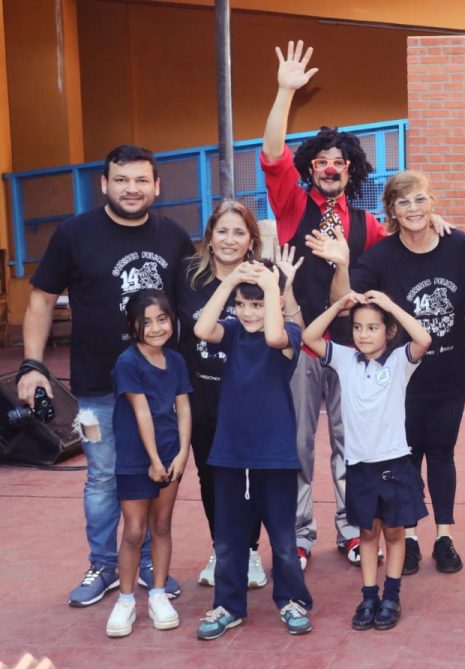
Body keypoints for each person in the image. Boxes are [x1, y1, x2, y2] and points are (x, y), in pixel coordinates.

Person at [20, 144, 194, 607]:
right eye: (121, 180)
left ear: (157, 187)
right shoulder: (74, 234)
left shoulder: (175, 238)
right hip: (99, 388)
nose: (131, 189)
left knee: (159, 473)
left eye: (141, 180)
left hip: (159, 390)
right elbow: (39, 301)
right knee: (101, 477)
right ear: (104, 184)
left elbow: (191, 310)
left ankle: (148, 564)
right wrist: (33, 366)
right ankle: (103, 563)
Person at [262, 40, 390, 569]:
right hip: (298, 346)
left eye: (339, 161)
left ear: (350, 169)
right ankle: (298, 532)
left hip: (351, 350)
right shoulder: (292, 206)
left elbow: (397, 263)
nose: (331, 167)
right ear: (310, 168)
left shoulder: (369, 224)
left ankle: (351, 527)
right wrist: (284, 91)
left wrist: (434, 224)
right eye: (322, 161)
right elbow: (271, 153)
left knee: (351, 445)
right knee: (295, 446)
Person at [329, 171, 465, 574]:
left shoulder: (457, 244)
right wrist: (342, 264)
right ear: (392, 211)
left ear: (433, 202)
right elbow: (345, 302)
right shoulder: (382, 256)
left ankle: (445, 536)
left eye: (420, 200)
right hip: (402, 378)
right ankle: (410, 536)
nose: (413, 209)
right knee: (408, 457)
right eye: (404, 202)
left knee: (443, 453)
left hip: (449, 371)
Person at [175, 200, 304, 588]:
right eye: (222, 231)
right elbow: (189, 329)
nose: (230, 239)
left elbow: (286, 327)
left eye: (239, 232)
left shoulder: (264, 277)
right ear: (210, 237)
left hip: (250, 397)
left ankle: (249, 551)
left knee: (258, 479)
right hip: (202, 394)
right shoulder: (187, 276)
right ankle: (223, 547)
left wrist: (284, 283)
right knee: (213, 478)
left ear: (251, 240)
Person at [193, 262, 313, 640]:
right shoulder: (230, 332)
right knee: (228, 539)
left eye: (257, 305)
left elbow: (275, 334)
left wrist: (270, 285)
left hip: (274, 456)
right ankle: (229, 604)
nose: (248, 313)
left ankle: (292, 599)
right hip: (230, 453)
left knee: (282, 538)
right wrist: (230, 281)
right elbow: (200, 328)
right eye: (242, 304)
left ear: (273, 303)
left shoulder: (289, 333)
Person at [302, 291, 431, 630]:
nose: (363, 334)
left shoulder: (399, 361)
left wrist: (390, 306)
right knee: (367, 533)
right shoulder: (344, 358)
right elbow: (309, 337)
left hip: (395, 463)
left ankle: (392, 595)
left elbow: (424, 338)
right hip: (359, 466)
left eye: (373, 327)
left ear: (388, 331)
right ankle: (369, 595)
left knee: (394, 533)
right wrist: (337, 307)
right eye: (358, 327)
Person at [104, 290, 192, 638]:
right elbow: (141, 411)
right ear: (133, 326)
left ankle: (157, 593)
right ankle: (126, 600)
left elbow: (183, 406)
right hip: (136, 459)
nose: (156, 328)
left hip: (170, 456)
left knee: (163, 525)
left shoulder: (177, 360)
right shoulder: (128, 362)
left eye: (162, 319)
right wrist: (154, 460)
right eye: (146, 322)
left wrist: (182, 452)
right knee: (135, 532)